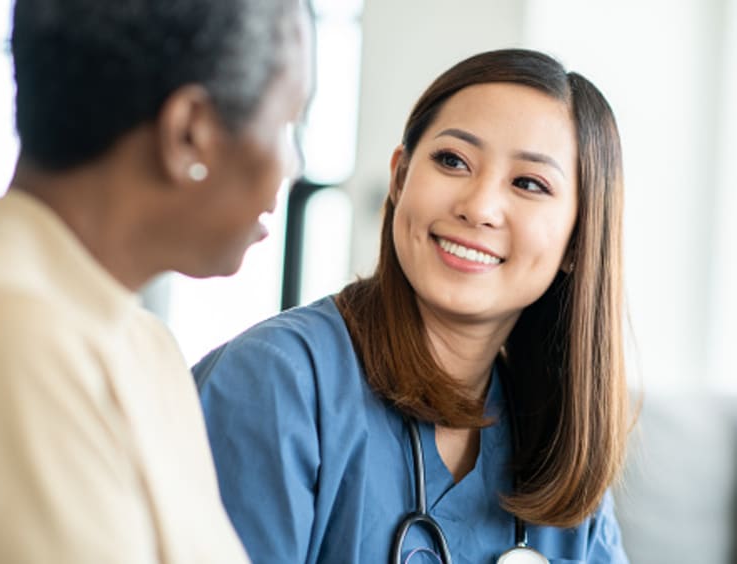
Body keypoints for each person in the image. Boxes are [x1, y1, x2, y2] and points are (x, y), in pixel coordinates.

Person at [194, 48, 630, 563]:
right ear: (400, 178)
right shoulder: (275, 382)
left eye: (529, 184)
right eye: (452, 161)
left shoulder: (554, 444)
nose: (479, 207)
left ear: (580, 241)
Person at [0, 0, 312, 562]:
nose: (295, 166)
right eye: (286, 122)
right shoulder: (16, 337)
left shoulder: (148, 347)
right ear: (190, 132)